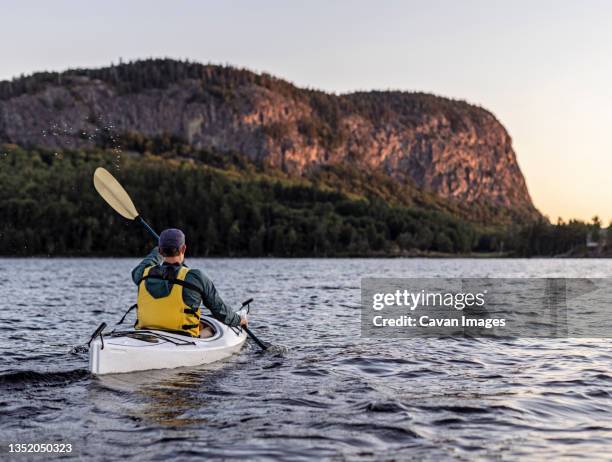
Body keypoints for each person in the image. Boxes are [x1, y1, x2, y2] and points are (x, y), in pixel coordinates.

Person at [131, 228, 246, 338]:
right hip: (184, 338)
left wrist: (158, 250)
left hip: (146, 334)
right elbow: (220, 311)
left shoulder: (143, 274)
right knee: (212, 328)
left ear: (160, 251)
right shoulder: (195, 277)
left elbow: (144, 265)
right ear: (183, 249)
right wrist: (239, 320)